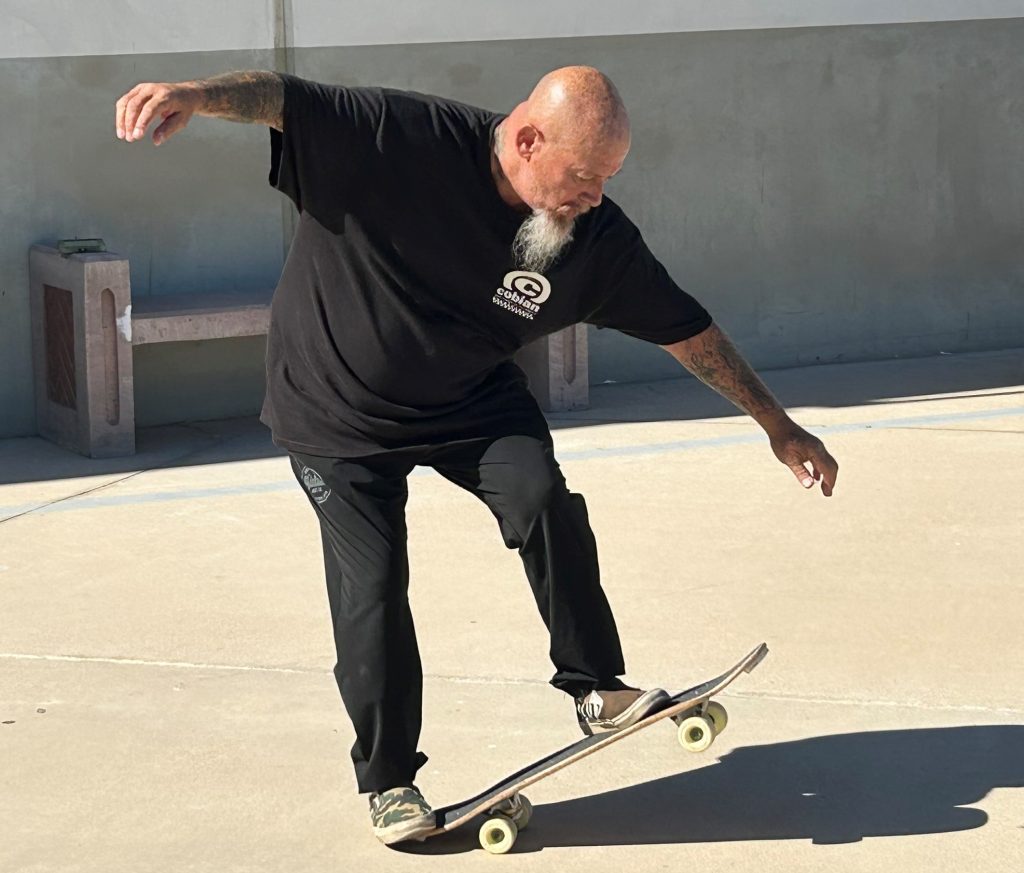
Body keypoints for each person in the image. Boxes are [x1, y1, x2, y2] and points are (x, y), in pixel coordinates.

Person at [115, 66, 838, 846]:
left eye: (607, 180)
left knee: (541, 499)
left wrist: (778, 424)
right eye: (584, 175)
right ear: (528, 140)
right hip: (335, 412)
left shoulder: (593, 241)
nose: (593, 196)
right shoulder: (401, 139)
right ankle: (389, 780)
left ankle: (596, 686)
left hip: (468, 400)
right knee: (374, 585)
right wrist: (195, 94)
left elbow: (686, 329)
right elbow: (287, 101)